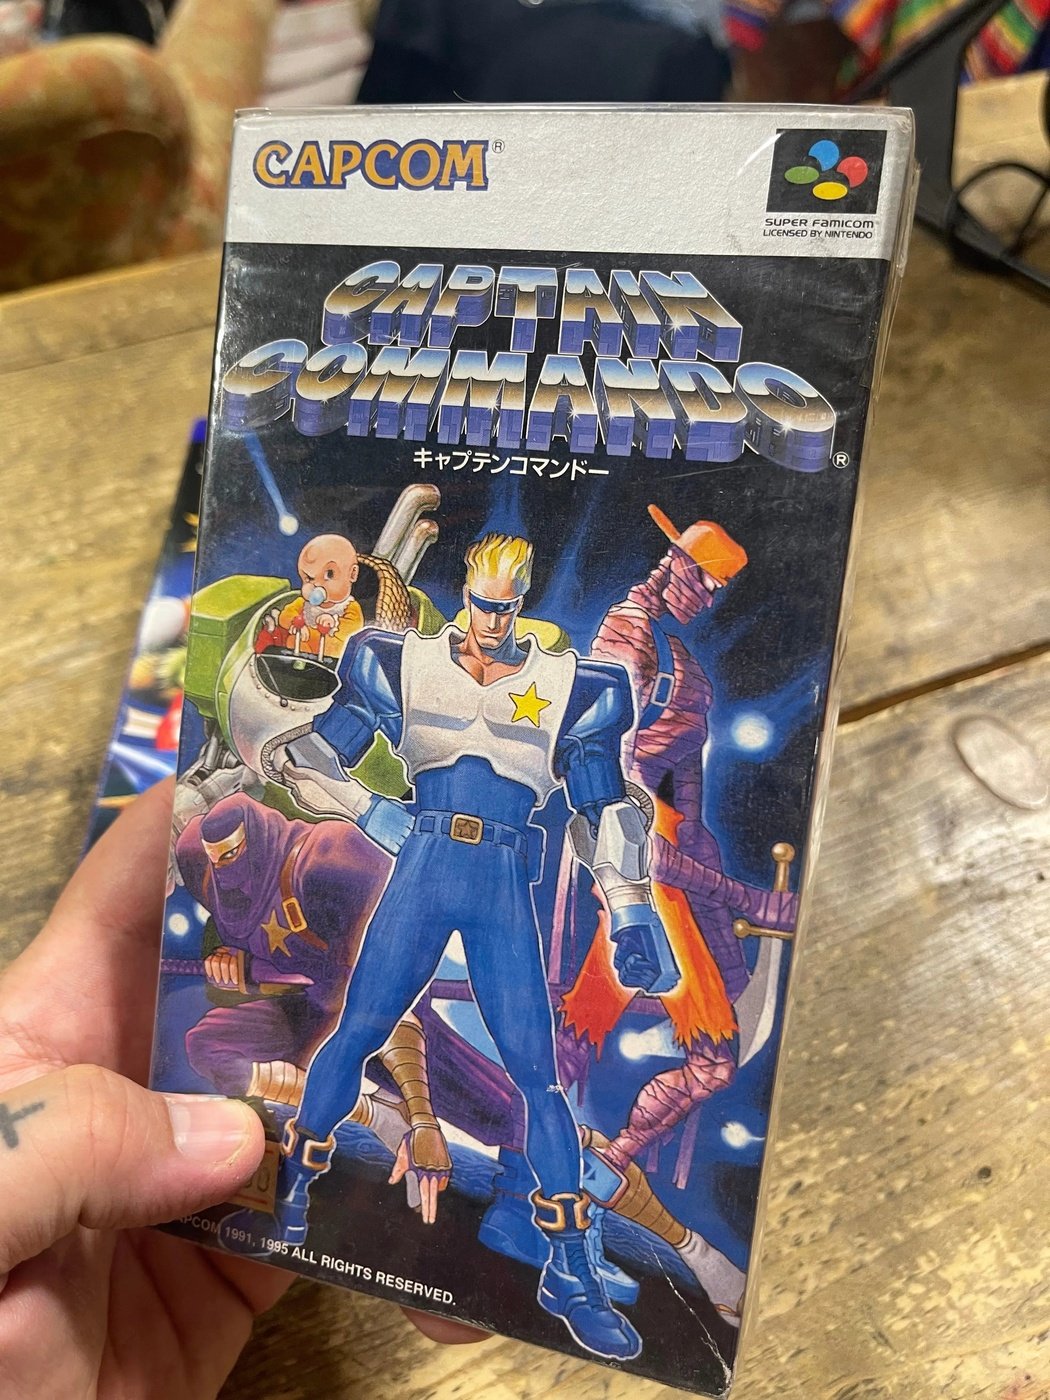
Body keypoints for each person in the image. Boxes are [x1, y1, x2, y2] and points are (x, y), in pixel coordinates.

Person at [254, 531, 679, 1362]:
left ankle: (568, 1268)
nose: (492, 621)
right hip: (422, 862)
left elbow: (606, 807)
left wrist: (630, 908)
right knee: (358, 1030)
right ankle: (294, 1191)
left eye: (506, 607)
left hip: (502, 881)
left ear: (521, 602)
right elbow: (311, 753)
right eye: (482, 603)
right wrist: (360, 803)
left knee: (537, 1076)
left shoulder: (575, 688)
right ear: (467, 593)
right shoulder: (399, 664)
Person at [0, 780, 482, 1399]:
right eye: (216, 855)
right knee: (208, 1047)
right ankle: (369, 1112)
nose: (226, 865)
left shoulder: (330, 857)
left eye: (234, 850)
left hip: (370, 1005)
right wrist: (232, 965)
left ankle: (405, 1115)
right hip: (297, 1011)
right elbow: (240, 961)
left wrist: (422, 1115)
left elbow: (387, 977)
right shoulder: (204, 871)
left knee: (482, 1102)